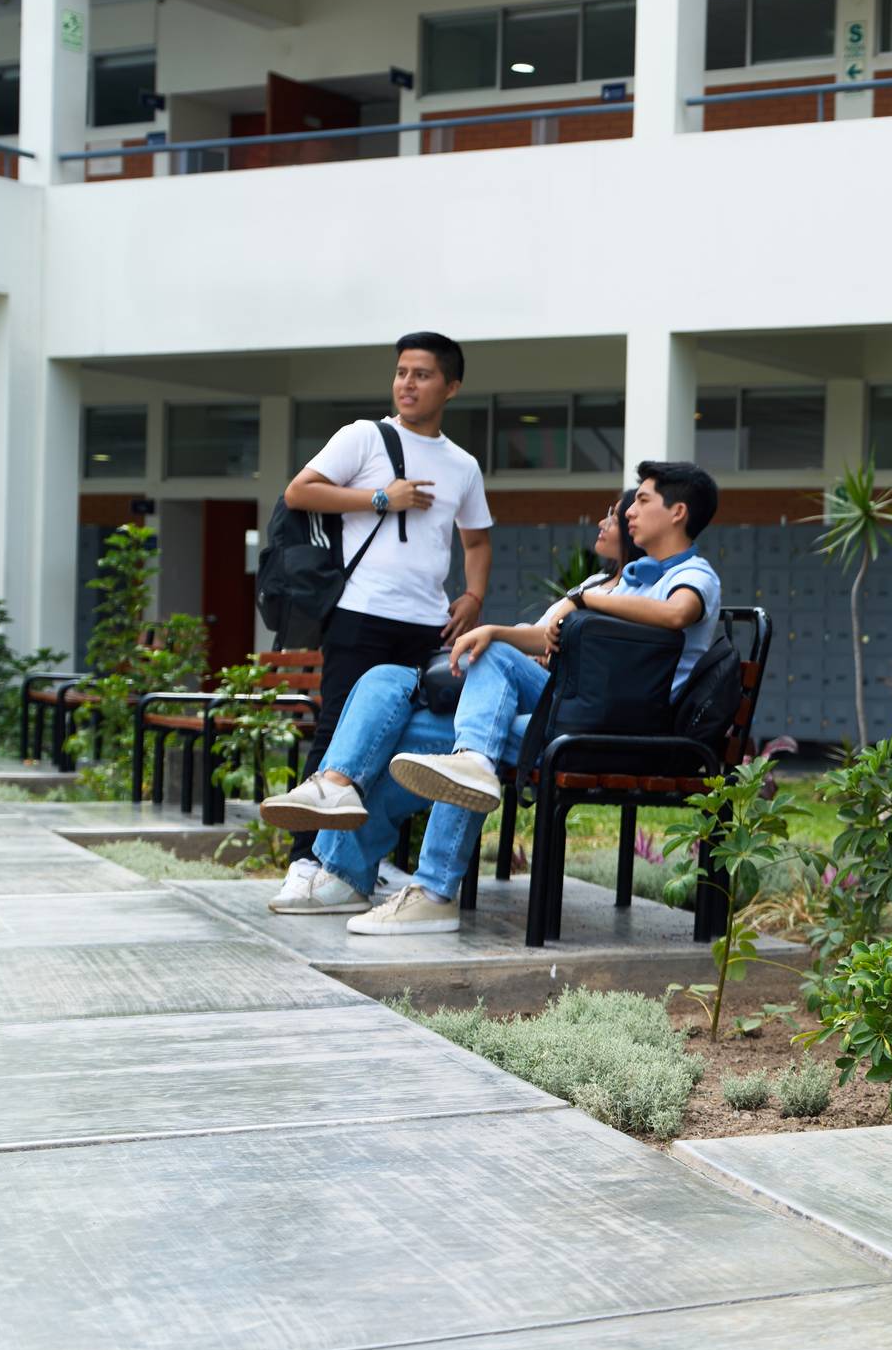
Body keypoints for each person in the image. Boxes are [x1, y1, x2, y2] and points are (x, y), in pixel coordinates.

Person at [259, 462, 723, 936]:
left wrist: (584, 602)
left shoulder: (693, 574)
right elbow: (545, 636)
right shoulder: (624, 582)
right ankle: (345, 859)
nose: (628, 512)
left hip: (615, 724)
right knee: (406, 722)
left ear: (678, 512)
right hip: (566, 702)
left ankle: (433, 890)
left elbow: (677, 613)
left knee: (480, 717)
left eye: (642, 501)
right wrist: (495, 631)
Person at [268, 331, 493, 915]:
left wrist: (473, 595)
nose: (407, 384)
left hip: (429, 627)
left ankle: (369, 859)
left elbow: (476, 540)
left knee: (407, 745)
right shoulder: (363, 436)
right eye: (401, 373)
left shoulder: (462, 465)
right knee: (338, 734)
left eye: (422, 374)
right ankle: (305, 862)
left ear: (451, 386)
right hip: (360, 615)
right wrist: (379, 499)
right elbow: (299, 492)